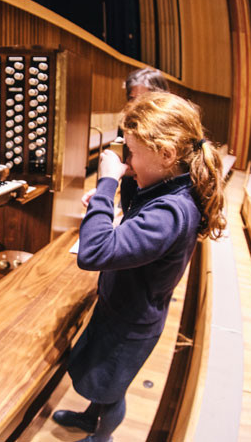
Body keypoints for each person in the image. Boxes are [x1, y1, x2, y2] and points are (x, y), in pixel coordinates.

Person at [53, 91, 227, 442]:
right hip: (120, 308)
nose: (126, 160)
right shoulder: (170, 184)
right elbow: (135, 205)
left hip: (131, 324)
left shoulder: (171, 213)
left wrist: (106, 184)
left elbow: (94, 252)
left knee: (111, 390)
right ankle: (90, 420)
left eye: (131, 152)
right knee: (99, 380)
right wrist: (112, 191)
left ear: (166, 155)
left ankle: (102, 437)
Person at [83, 67, 170, 212]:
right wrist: (105, 190)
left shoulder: (169, 128)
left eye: (144, 97)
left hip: (157, 197)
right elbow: (124, 161)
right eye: (132, 98)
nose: (136, 104)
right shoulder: (126, 122)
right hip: (130, 189)